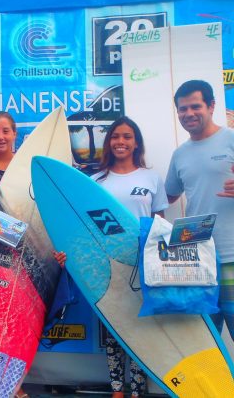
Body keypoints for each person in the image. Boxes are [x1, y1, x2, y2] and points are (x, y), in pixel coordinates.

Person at [0, 111, 66, 398]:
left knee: (16, 319)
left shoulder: (28, 170)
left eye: (5, 131)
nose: (0, 137)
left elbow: (46, 212)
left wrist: (51, 249)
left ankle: (13, 384)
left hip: (26, 258)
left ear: (15, 135)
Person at [92, 116, 168, 398]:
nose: (120, 142)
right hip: (106, 266)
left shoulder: (151, 178)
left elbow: (159, 223)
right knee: (113, 329)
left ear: (136, 143)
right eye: (115, 137)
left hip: (142, 266)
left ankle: (136, 389)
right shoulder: (96, 181)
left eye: (126, 137)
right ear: (108, 142)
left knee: (140, 329)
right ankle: (117, 390)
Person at [165, 80, 234, 339]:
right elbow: (167, 197)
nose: (189, 114)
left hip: (232, 257)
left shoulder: (231, 139)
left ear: (212, 106)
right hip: (196, 258)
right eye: (183, 109)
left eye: (196, 106)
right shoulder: (180, 154)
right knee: (205, 341)